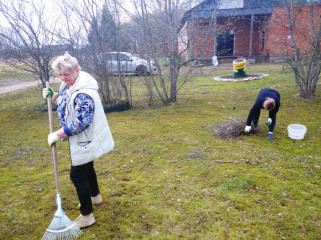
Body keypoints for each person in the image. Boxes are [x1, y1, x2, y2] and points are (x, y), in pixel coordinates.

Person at [42, 52, 114, 228]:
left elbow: (81, 123)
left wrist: (57, 134)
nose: (63, 78)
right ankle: (95, 196)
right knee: (87, 166)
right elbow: (68, 102)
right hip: (82, 139)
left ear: (77, 69)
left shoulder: (83, 92)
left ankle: (87, 215)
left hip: (85, 138)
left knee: (77, 174)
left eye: (66, 74)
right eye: (59, 75)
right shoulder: (70, 85)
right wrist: (55, 96)